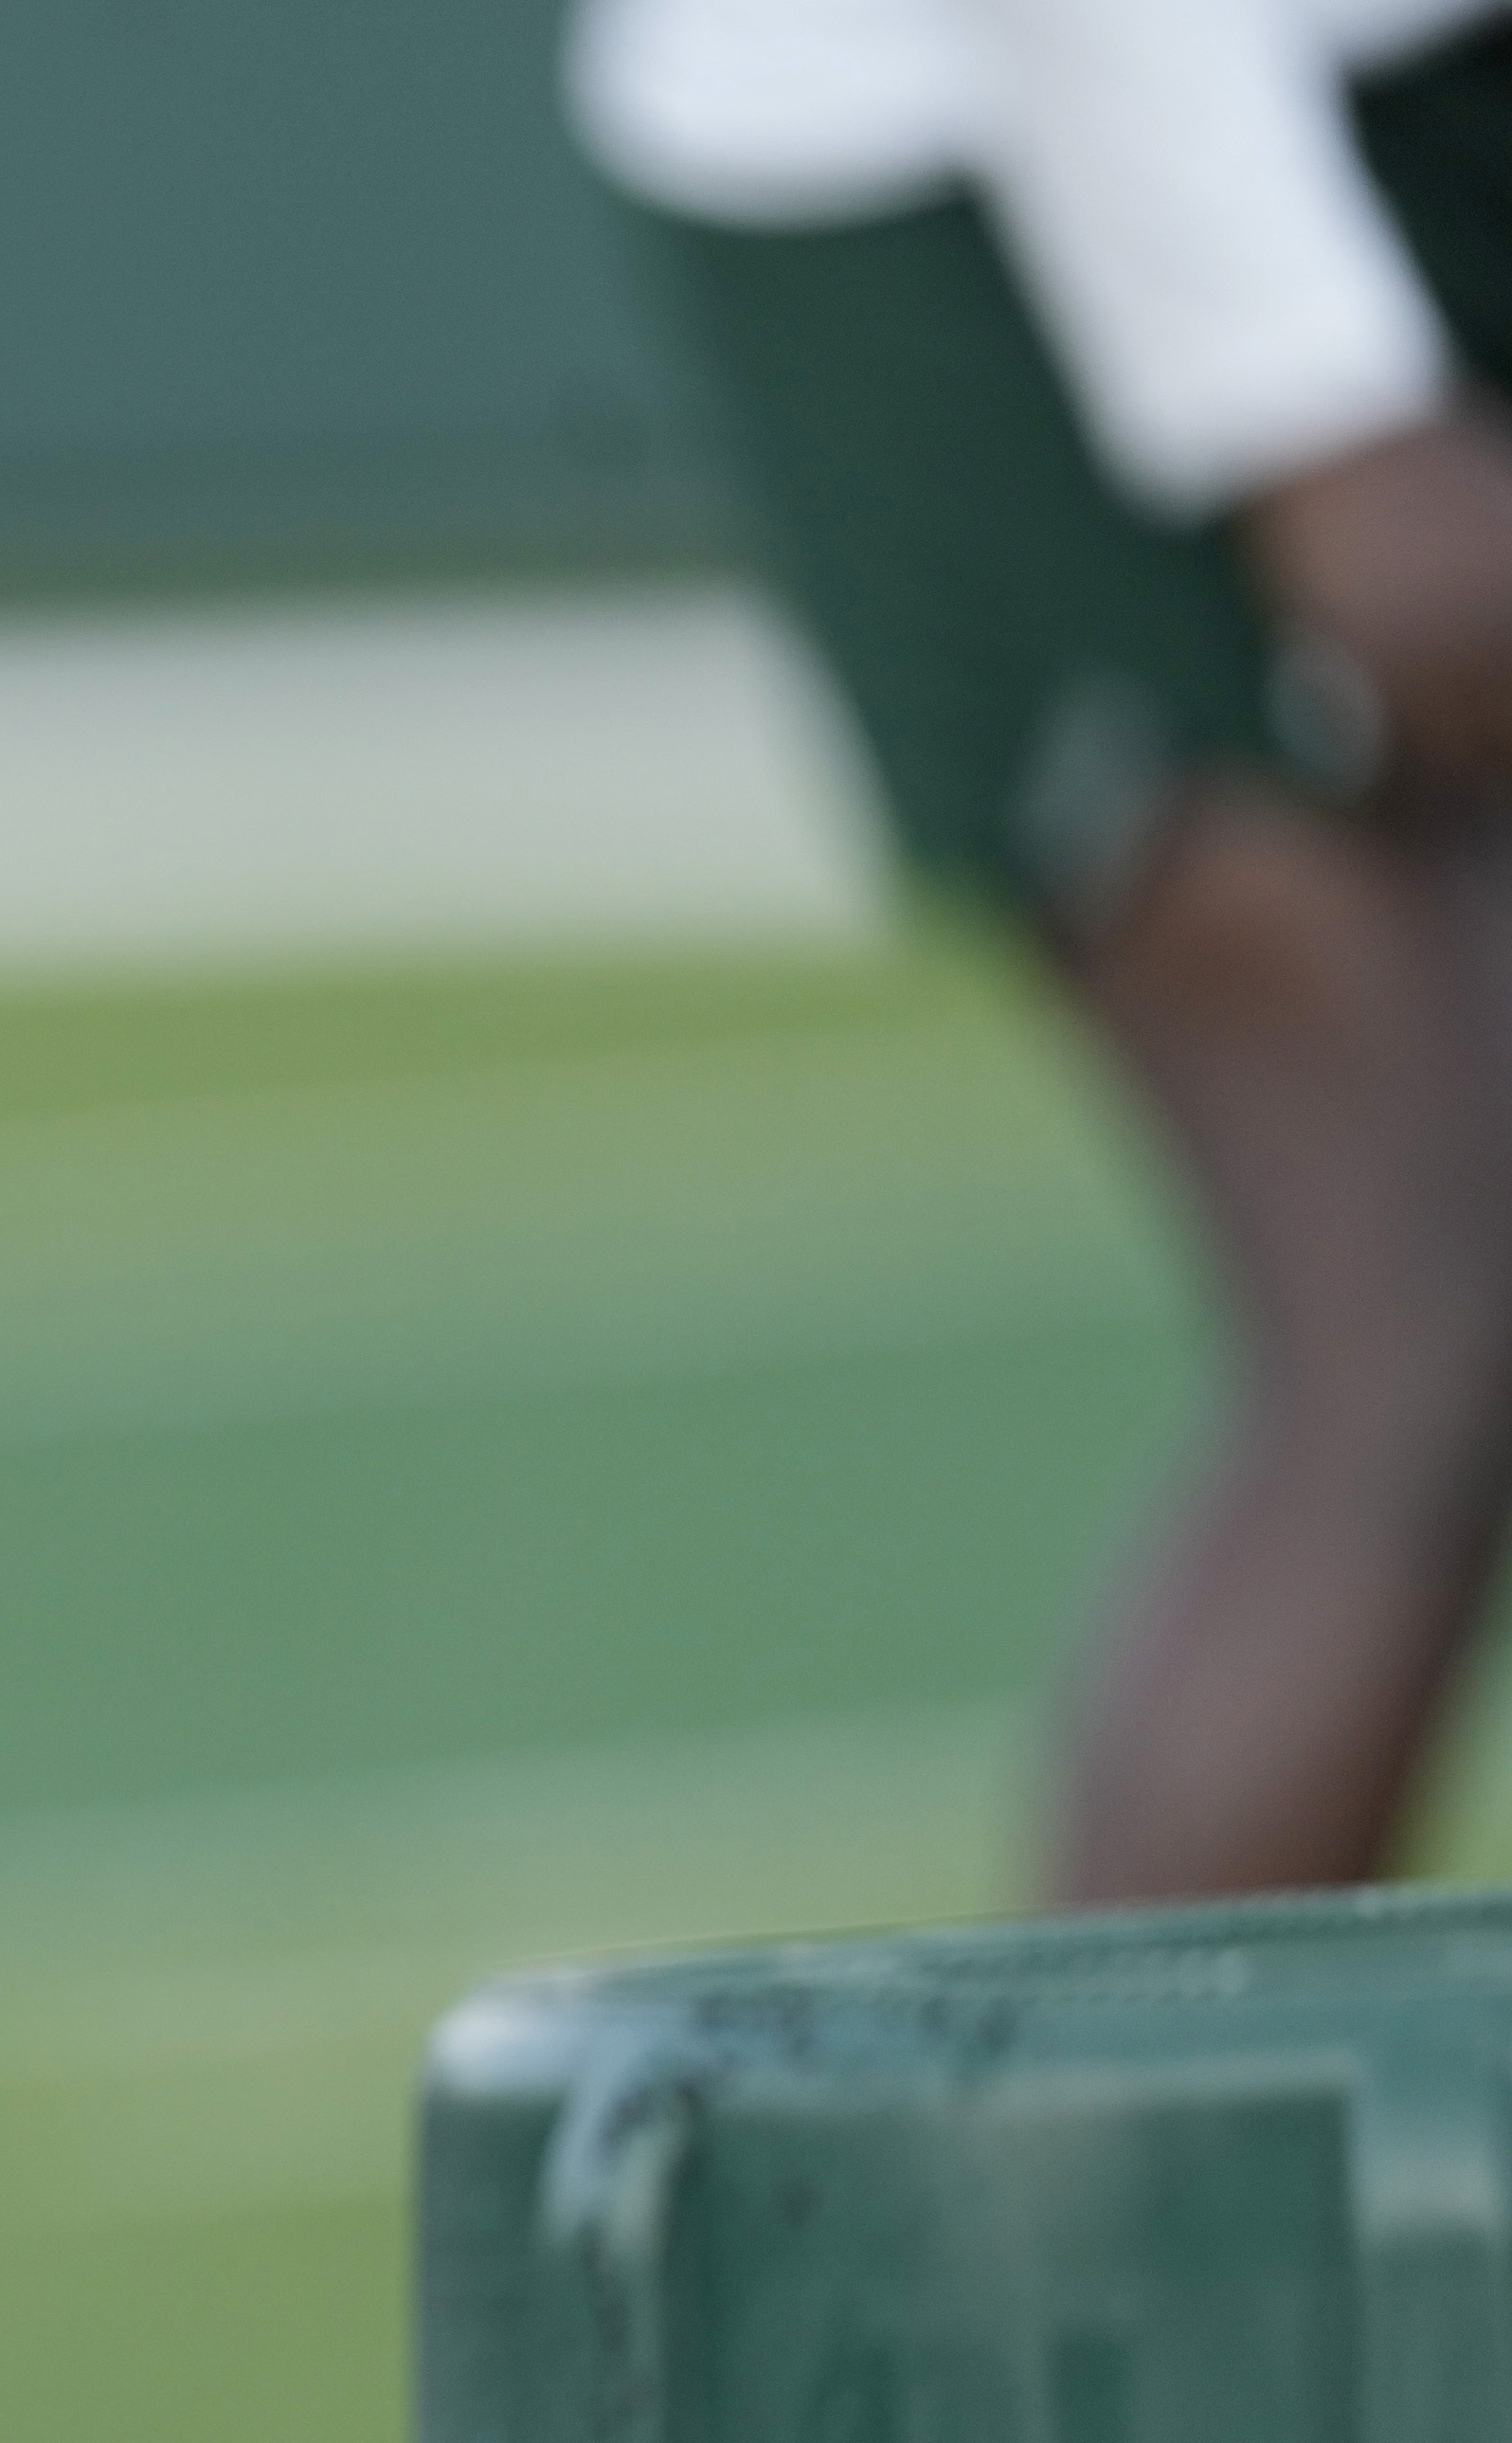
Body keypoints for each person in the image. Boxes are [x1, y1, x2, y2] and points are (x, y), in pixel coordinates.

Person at [579, 0, 1512, 1902]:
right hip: (988, 143)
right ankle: (1126, 2194)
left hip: (1408, 85)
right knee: (1416, 1307)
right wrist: (1304, 395)